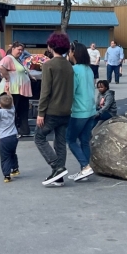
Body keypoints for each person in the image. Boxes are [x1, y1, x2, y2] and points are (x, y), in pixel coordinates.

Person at [36, 32, 74, 187]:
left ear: (51, 46)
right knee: (60, 142)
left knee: (39, 137)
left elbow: (45, 91)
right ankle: (59, 177)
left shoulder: (48, 65)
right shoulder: (69, 65)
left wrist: (40, 113)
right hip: (66, 110)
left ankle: (57, 166)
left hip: (52, 110)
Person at [66, 43, 96, 182]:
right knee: (84, 141)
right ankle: (84, 170)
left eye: (70, 51)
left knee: (71, 139)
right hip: (90, 109)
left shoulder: (74, 70)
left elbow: (71, 91)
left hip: (78, 111)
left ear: (74, 53)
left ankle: (85, 166)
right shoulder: (88, 69)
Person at [0, 42, 33, 137]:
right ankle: (11, 131)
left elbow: (22, 70)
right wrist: (7, 78)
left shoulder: (17, 60)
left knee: (23, 110)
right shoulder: (8, 58)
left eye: (22, 50)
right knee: (13, 110)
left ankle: (24, 130)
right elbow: (1, 66)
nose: (21, 52)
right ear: (13, 48)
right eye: (19, 49)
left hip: (20, 89)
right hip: (13, 89)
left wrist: (30, 76)